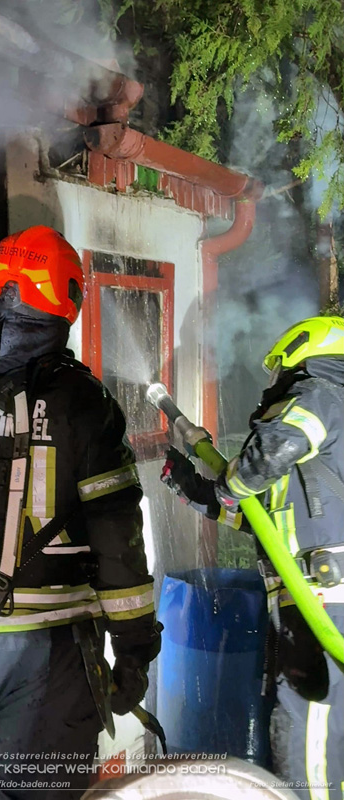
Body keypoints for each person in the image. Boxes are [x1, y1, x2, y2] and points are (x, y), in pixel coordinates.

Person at [0, 225, 161, 799]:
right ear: (67, 301)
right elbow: (116, 533)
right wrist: (137, 644)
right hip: (47, 642)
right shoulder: (80, 402)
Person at [160, 316, 344, 800]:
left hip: (323, 605)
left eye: (277, 372)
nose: (274, 385)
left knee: (307, 740)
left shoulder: (323, 392)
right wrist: (197, 489)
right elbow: (263, 524)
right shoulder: (324, 428)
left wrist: (228, 485)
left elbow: (269, 453)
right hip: (306, 604)